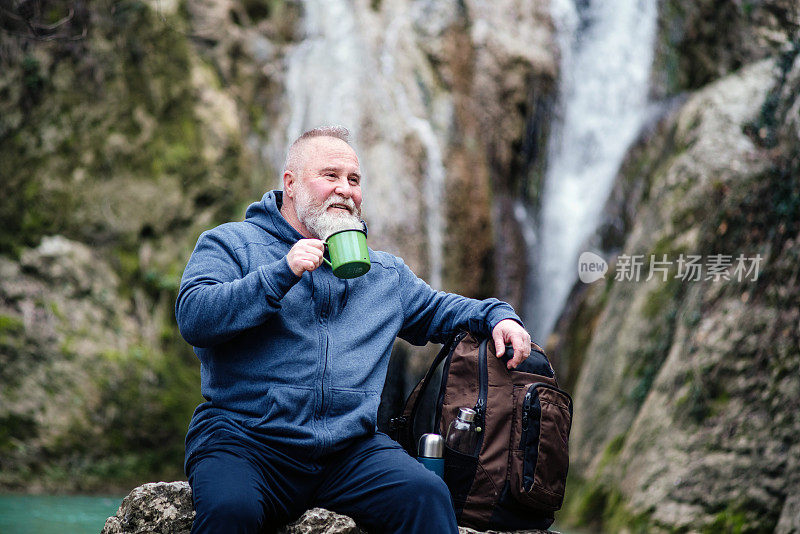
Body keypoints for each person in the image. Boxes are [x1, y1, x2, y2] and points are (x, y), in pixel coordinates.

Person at [175, 126, 532, 534]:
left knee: (427, 495)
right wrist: (280, 273)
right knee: (229, 513)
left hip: (348, 452)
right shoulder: (231, 244)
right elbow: (194, 316)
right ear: (289, 184)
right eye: (330, 176)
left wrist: (499, 316)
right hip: (245, 440)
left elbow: (442, 309)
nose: (345, 189)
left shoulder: (384, 274)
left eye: (354, 180)